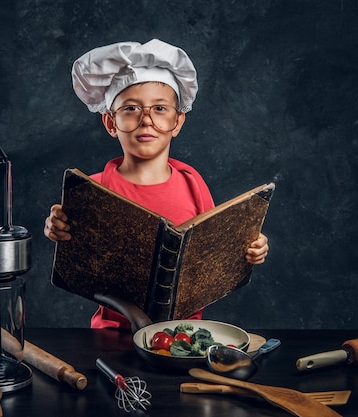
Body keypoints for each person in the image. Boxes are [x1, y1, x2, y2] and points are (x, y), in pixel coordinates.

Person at [44, 39, 269, 329]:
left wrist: (252, 248)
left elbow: (216, 246)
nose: (146, 120)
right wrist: (55, 227)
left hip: (184, 335)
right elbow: (67, 241)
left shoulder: (193, 185)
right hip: (111, 336)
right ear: (111, 123)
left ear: (177, 122)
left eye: (160, 108)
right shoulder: (91, 189)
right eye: (131, 109)